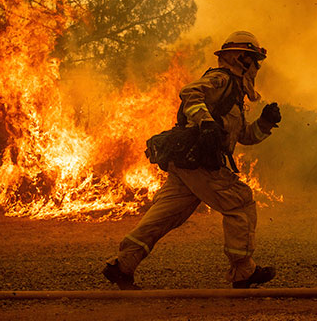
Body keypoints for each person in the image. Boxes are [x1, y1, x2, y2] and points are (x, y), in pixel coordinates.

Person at [103, 31, 282, 289]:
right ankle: (244, 271)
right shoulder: (221, 79)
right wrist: (206, 123)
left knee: (165, 215)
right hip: (198, 161)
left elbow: (243, 136)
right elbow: (189, 94)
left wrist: (265, 123)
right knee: (240, 203)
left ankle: (122, 265)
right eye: (255, 61)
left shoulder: (234, 95)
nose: (257, 67)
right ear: (242, 59)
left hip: (188, 164)